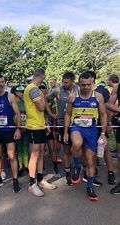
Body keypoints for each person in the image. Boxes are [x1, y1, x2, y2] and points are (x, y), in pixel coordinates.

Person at [63, 72, 107, 201]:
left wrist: (103, 134)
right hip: (76, 127)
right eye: (83, 85)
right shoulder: (72, 97)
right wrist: (66, 132)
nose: (86, 87)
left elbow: (103, 115)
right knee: (76, 144)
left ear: (92, 83)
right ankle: (77, 166)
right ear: (79, 83)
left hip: (92, 131)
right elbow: (67, 114)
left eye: (89, 84)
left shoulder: (98, 97)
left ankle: (89, 187)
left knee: (90, 160)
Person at [24, 68, 57, 197]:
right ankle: (32, 184)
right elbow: (41, 107)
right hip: (33, 126)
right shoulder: (33, 89)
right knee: (35, 154)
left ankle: (40, 180)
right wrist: (43, 97)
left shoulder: (35, 89)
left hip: (40, 125)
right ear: (42, 76)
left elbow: (42, 108)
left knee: (41, 153)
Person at [0, 74, 21, 193]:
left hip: (9, 130)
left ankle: (15, 180)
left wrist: (17, 129)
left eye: (2, 82)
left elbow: (17, 114)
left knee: (11, 155)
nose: (1, 84)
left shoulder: (10, 96)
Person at [47, 72, 79, 185]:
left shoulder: (78, 90)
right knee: (66, 150)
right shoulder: (57, 90)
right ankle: (68, 174)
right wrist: (51, 113)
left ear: (72, 81)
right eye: (63, 81)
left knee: (77, 148)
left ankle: (78, 168)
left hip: (77, 124)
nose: (64, 84)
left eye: (67, 82)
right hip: (62, 123)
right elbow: (45, 100)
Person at [13, 85, 29, 176]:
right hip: (16, 128)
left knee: (26, 146)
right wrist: (17, 127)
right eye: (20, 91)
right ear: (15, 92)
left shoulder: (26, 101)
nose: (22, 93)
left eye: (23, 91)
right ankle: (20, 166)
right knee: (19, 148)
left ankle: (26, 165)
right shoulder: (13, 101)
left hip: (26, 126)